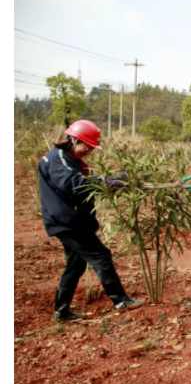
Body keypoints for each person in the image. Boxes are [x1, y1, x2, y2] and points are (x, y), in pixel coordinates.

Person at [38, 120, 142, 321]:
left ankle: (61, 311)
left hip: (71, 220)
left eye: (92, 148)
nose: (89, 151)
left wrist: (110, 183)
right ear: (74, 139)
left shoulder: (67, 159)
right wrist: (105, 182)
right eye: (87, 146)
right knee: (100, 255)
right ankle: (120, 300)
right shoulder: (57, 159)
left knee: (75, 265)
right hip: (68, 222)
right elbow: (73, 185)